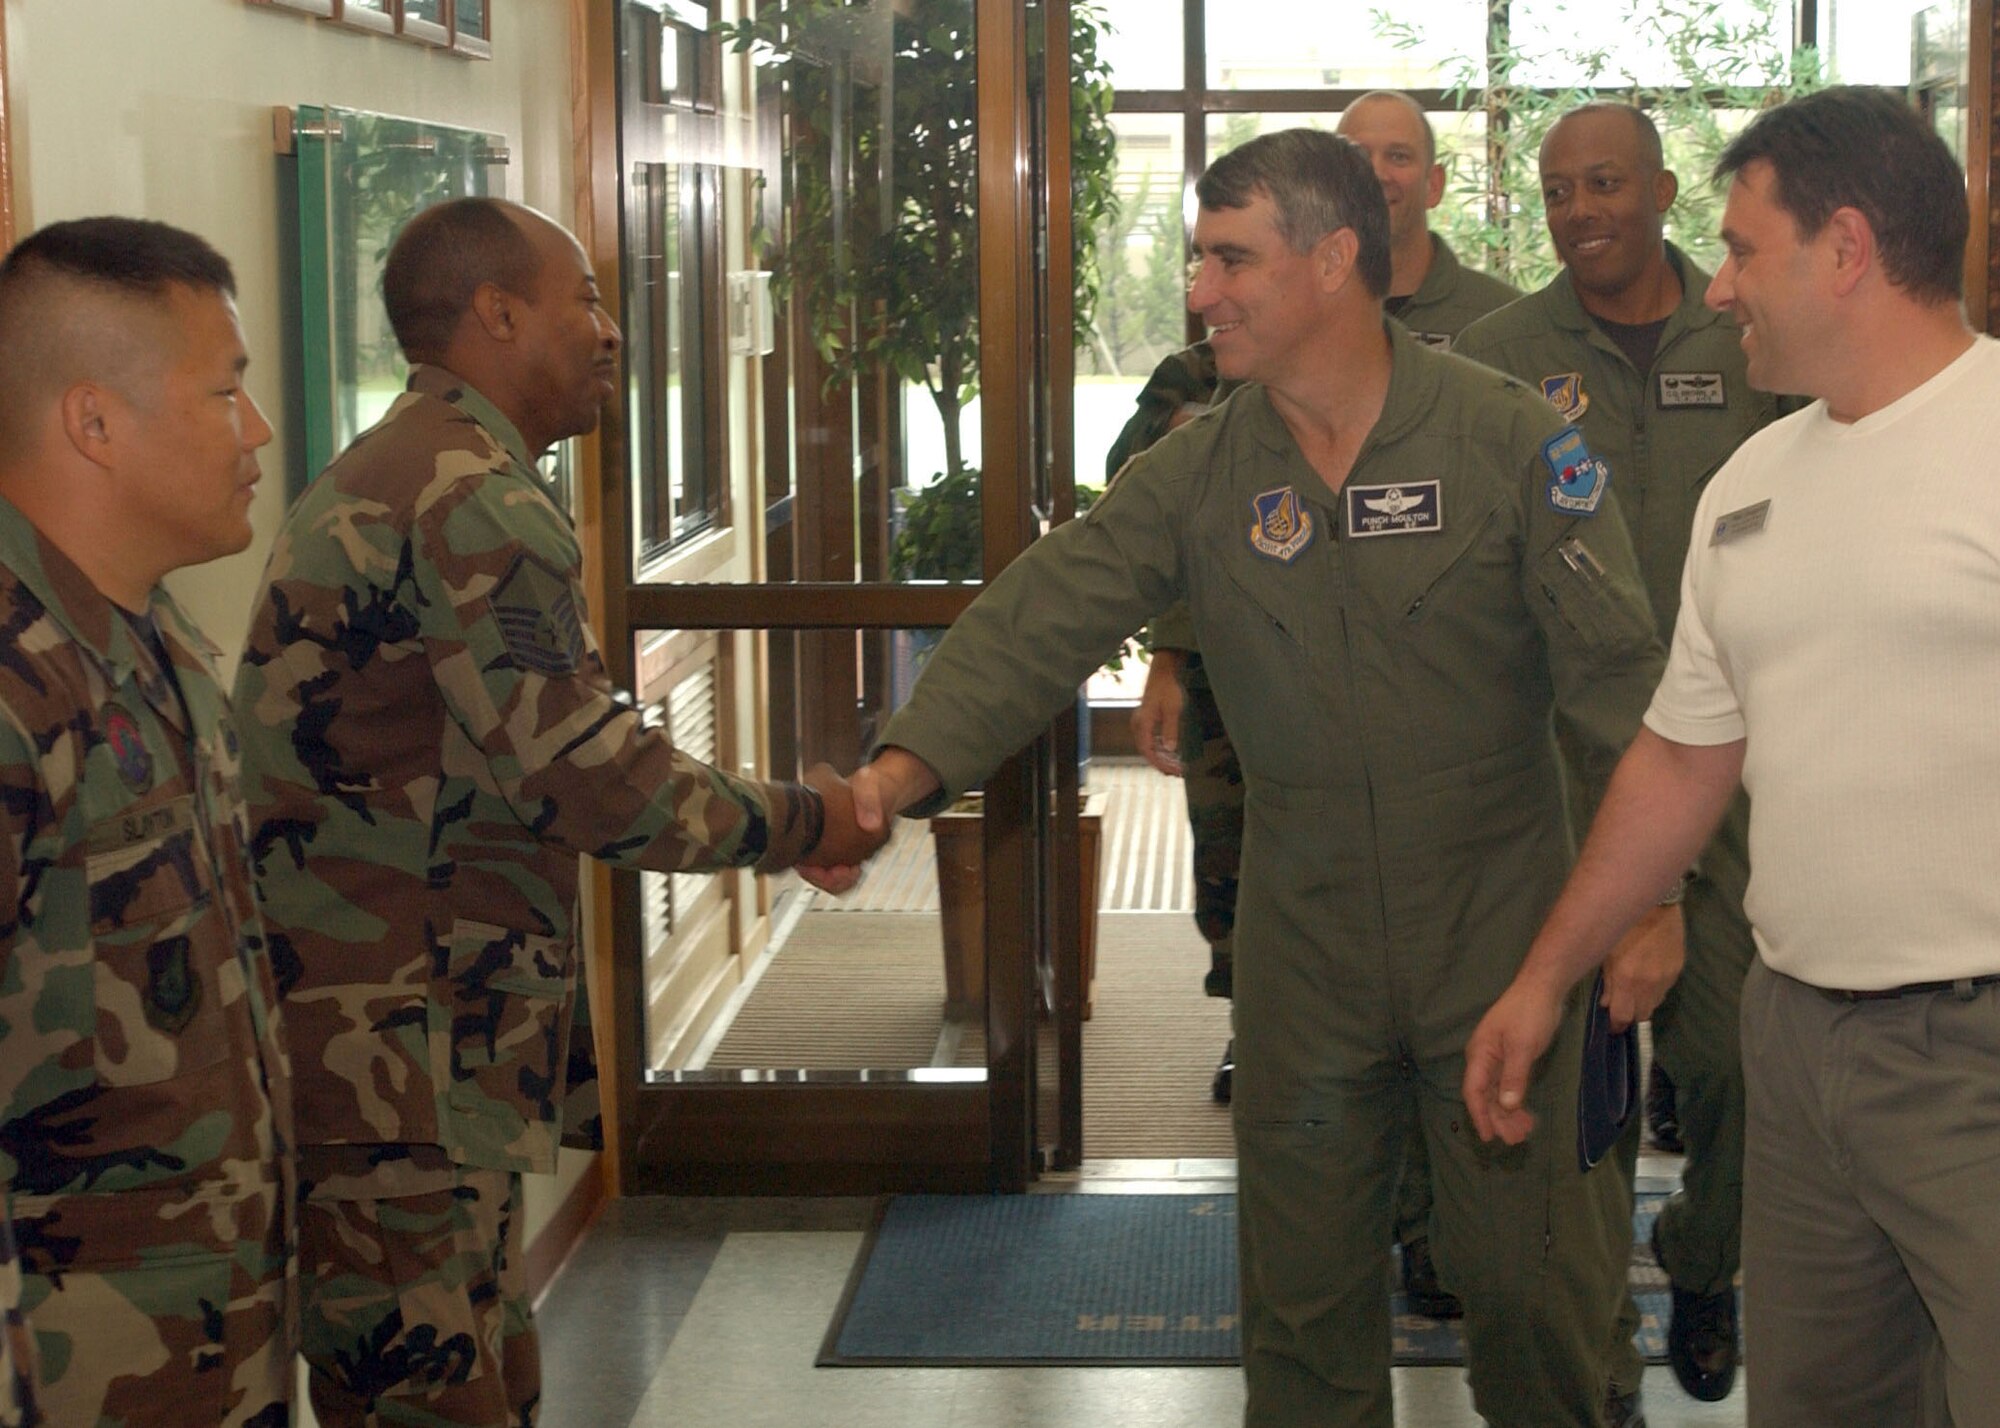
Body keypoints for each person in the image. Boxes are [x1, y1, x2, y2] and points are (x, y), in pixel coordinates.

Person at [844, 128, 1665, 1426]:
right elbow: (1042, 614)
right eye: (1198, 257)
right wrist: (895, 774)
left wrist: (1649, 905)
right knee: (1300, 1326)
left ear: (1336, 260)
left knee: (1535, 1301)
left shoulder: (1507, 440)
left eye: (1233, 257)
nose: (1200, 290)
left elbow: (1624, 686)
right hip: (1306, 963)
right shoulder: (1204, 472)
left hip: (1506, 943)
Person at [231, 196, 882, 1427]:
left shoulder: (424, 459)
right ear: (496, 314)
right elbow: (593, 778)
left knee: (467, 1358)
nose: (606, 329)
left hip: (395, 1034)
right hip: (392, 1050)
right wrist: (810, 823)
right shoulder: (466, 493)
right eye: (582, 298)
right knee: (428, 1387)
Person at [1464, 85, 2000, 1427]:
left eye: (1746, 251)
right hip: (1797, 1043)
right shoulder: (1751, 484)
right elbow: (1678, 763)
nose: (1721, 291)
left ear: (1849, 248)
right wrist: (1548, 977)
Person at [1113, 89, 1522, 1321]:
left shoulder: (1496, 344)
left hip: (1454, 778)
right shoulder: (1213, 384)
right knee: (1262, 925)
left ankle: (1439, 1229)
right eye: (1362, 155)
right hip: (1271, 719)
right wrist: (1171, 659)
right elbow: (1136, 532)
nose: (1202, 288)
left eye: (1401, 154)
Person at [1455, 101, 1788, 1415]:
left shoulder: (1755, 335)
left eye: (1604, 182)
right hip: (1564, 782)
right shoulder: (1498, 359)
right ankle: (1592, 1361)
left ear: (1661, 190)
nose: (1580, 208)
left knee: (1733, 1066)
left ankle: (1703, 1260)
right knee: (1571, 1099)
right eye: (1555, 190)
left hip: (1745, 771)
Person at [0, 217, 294, 1426]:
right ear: (94, 421)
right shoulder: (19, 692)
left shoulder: (148, 634)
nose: (258, 431)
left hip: (210, 1339)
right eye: (225, 391)